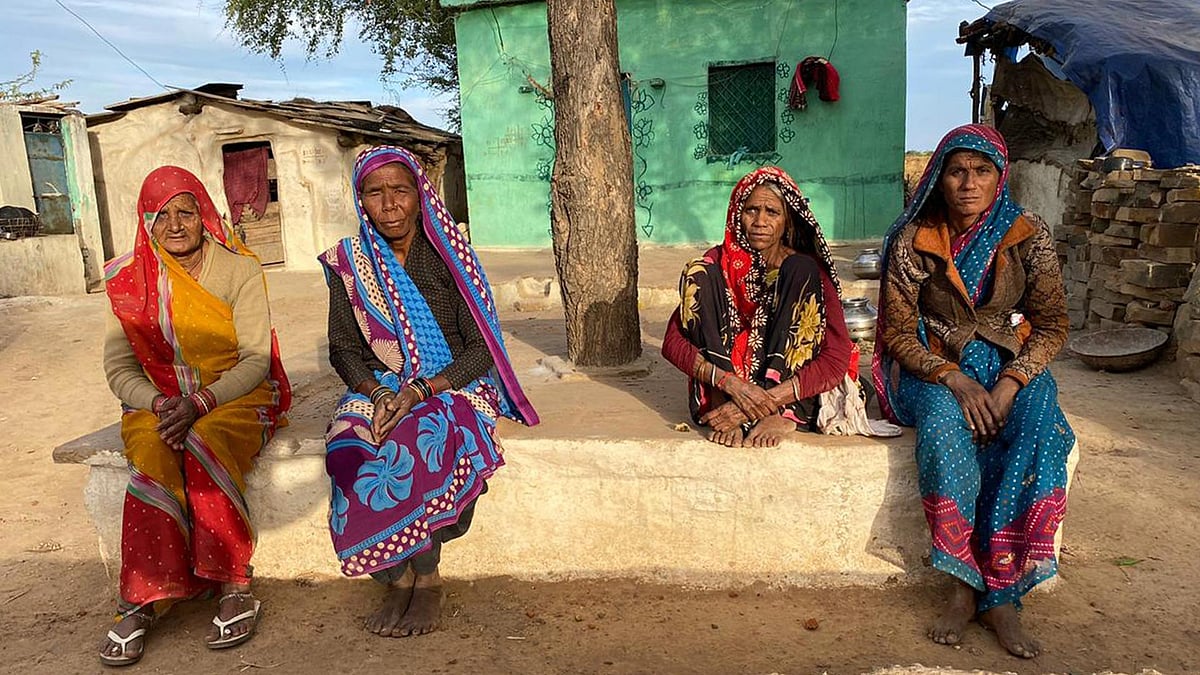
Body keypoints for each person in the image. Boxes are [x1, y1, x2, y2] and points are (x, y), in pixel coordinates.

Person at [872, 124, 1075, 658]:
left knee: (1038, 423)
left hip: (1010, 360)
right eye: (958, 171)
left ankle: (1003, 591)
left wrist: (1011, 382)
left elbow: (1052, 325)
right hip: (934, 364)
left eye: (981, 171)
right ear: (940, 178)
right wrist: (953, 378)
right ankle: (962, 586)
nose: (968, 182)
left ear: (999, 177)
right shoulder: (916, 240)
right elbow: (895, 330)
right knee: (942, 426)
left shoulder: (1027, 235)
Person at [321, 146, 538, 638]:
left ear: (420, 196)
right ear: (361, 201)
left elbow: (483, 347)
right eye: (375, 193)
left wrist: (421, 390)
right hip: (382, 385)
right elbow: (343, 349)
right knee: (348, 444)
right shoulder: (349, 264)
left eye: (400, 190)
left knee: (419, 438)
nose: (390, 204)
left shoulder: (448, 255)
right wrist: (376, 394)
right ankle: (396, 577)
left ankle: (428, 577)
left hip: (454, 381)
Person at [98, 167, 291, 666]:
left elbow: (255, 359)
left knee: (205, 441)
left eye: (187, 211)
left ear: (205, 214)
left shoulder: (239, 269)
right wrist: (161, 404)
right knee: (149, 448)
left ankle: (232, 582)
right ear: (146, 222)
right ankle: (144, 597)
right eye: (163, 215)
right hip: (158, 400)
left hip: (236, 395)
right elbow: (119, 368)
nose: (176, 224)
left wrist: (200, 402)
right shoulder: (128, 279)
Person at [661, 166, 856, 447]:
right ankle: (721, 403)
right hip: (728, 385)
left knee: (801, 269)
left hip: (785, 393)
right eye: (751, 210)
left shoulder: (807, 272)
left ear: (787, 221)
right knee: (698, 272)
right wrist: (731, 386)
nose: (760, 221)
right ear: (737, 214)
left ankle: (781, 413)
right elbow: (672, 343)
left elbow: (836, 358)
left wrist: (765, 401)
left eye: (772, 212)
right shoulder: (718, 263)